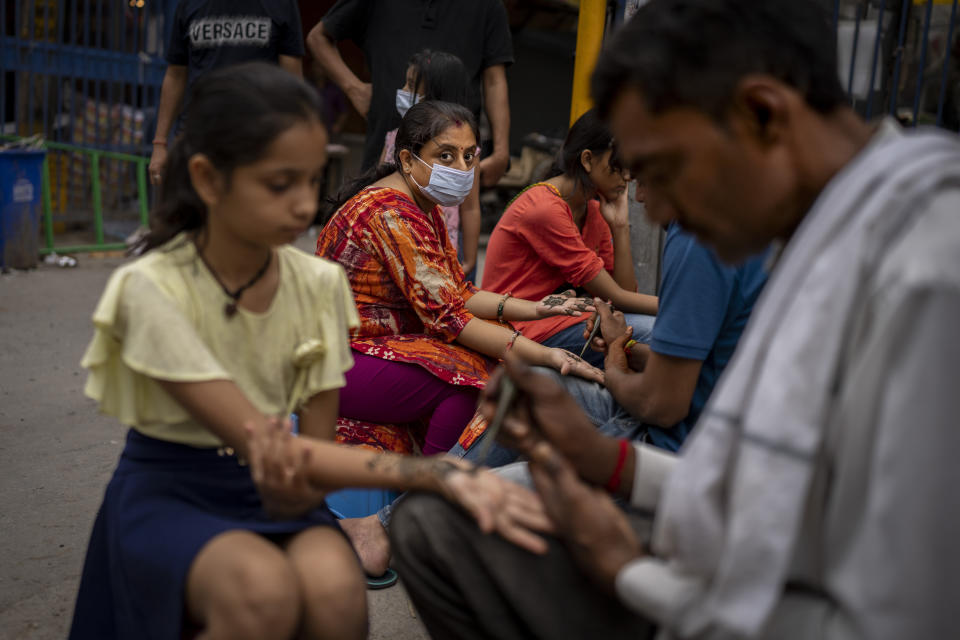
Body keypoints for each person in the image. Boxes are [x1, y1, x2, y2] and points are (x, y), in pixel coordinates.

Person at [390, 0, 960, 638]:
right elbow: (769, 487)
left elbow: (897, 615)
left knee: (446, 523)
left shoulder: (929, 269)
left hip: (736, 600)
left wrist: (628, 572)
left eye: (662, 170)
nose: (656, 207)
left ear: (761, 115)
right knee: (442, 519)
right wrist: (606, 462)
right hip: (723, 551)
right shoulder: (827, 231)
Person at [68, 63, 551, 640]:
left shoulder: (317, 285)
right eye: (279, 183)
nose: (303, 204)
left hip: (280, 490)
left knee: (334, 587)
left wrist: (441, 478)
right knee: (260, 592)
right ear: (208, 178)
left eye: (309, 179)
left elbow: (317, 448)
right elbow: (260, 440)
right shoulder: (153, 289)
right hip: (174, 492)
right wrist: (437, 478)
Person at [314, 99, 603, 576]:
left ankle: (423, 515)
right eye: (446, 155)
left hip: (373, 351)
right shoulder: (391, 213)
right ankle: (417, 523)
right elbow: (452, 317)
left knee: (485, 363)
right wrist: (545, 356)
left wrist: (536, 308)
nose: (462, 168)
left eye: (470, 155)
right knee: (470, 378)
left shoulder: (418, 205)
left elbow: (457, 293)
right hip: (340, 360)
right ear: (408, 159)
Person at [481, 109, 658, 365]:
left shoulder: (594, 211)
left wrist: (620, 227)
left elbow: (621, 297)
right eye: (619, 166)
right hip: (521, 330)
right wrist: (679, 307)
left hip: (562, 324)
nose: (628, 177)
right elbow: (620, 299)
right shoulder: (544, 209)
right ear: (588, 160)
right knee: (655, 333)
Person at [307, 0, 513, 186]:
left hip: (454, 160)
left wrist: (501, 151)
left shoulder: (488, 6)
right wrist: (354, 89)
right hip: (382, 138)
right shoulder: (391, 142)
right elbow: (319, 37)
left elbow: (495, 80)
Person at [149, 0, 305, 184]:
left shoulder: (281, 4)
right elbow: (175, 75)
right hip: (197, 138)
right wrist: (160, 144)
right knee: (192, 210)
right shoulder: (189, 4)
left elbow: (292, 84)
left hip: (256, 140)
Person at [383, 49, 483, 281]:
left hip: (441, 251)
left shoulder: (467, 152)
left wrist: (468, 260)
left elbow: (470, 207)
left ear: (435, 94)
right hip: (396, 243)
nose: (404, 92)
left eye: (411, 85)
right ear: (407, 159)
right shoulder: (392, 138)